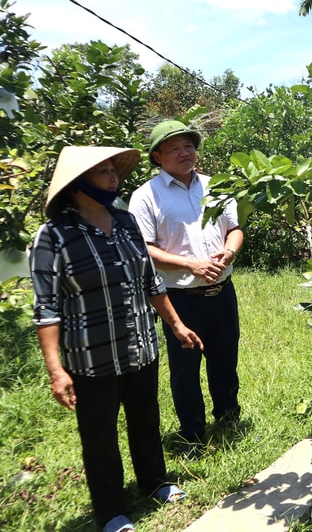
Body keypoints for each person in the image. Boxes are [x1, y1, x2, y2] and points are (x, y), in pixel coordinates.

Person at [31, 146, 204, 532]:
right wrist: (56, 369)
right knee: (100, 435)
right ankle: (111, 511)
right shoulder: (54, 236)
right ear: (78, 184)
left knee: (145, 419)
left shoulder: (125, 223)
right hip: (92, 356)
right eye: (103, 172)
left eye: (114, 171)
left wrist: (175, 325)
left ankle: (155, 482)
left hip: (139, 345)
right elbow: (46, 308)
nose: (114, 178)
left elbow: (151, 281)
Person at [129, 121, 244, 449]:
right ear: (158, 156)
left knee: (225, 359)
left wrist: (230, 250)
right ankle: (192, 431)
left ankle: (228, 417)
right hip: (180, 297)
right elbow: (144, 248)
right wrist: (191, 264)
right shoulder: (146, 197)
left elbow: (234, 229)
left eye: (189, 146)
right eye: (175, 148)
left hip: (222, 291)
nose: (185, 153)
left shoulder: (216, 186)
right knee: (185, 368)